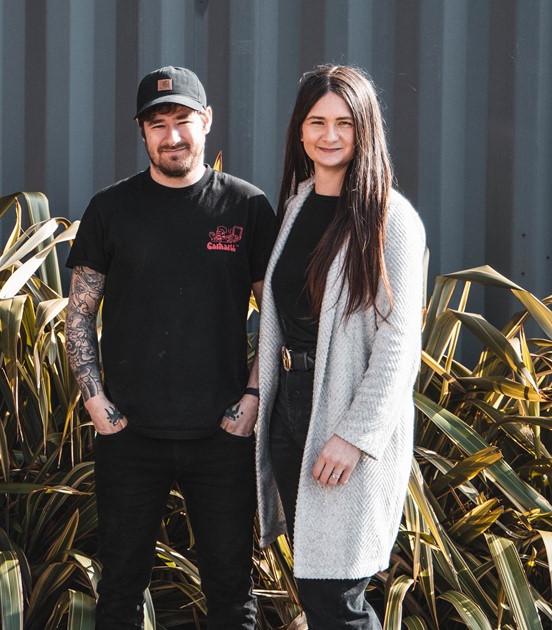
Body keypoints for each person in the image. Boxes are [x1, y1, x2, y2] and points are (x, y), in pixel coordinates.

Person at [65, 66, 278, 628]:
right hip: (130, 434)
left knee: (232, 594)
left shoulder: (246, 208)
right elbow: (79, 313)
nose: (172, 136)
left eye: (183, 121)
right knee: (119, 592)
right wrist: (96, 403)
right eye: (158, 125)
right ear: (142, 133)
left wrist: (252, 397)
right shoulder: (111, 209)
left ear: (206, 121)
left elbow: (277, 317)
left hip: (221, 434)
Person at [255, 65, 425, 628]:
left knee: (338, 596)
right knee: (315, 584)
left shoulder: (391, 218)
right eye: (317, 121)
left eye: (344, 123)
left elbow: (400, 342)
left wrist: (354, 437)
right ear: (300, 132)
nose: (330, 135)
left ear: (364, 130)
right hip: (290, 412)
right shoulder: (298, 204)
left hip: (344, 418)